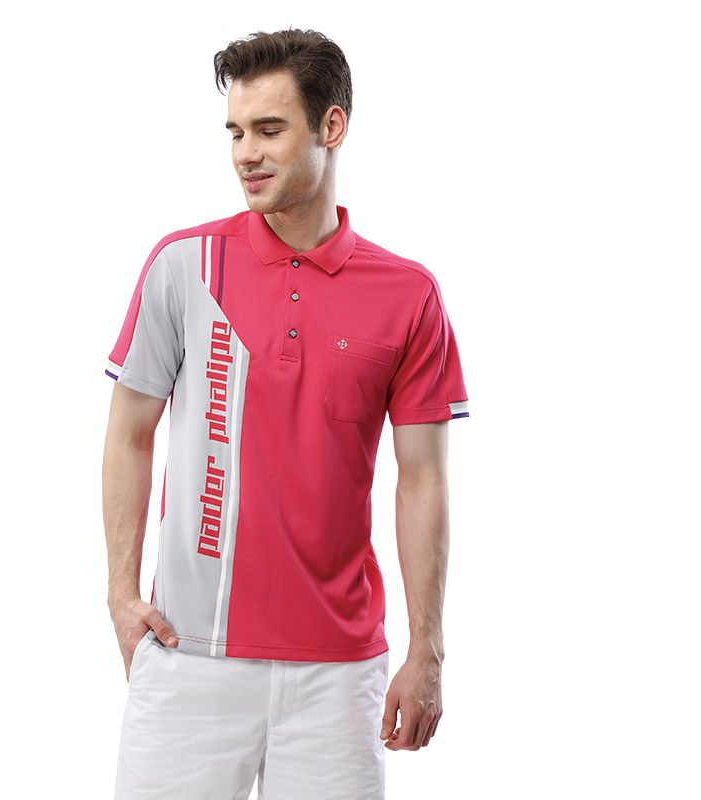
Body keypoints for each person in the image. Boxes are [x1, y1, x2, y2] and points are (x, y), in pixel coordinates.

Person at [102, 27, 469, 800]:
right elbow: (129, 433)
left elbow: (422, 481)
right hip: (189, 656)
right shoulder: (185, 265)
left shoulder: (408, 294)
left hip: (337, 674)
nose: (246, 153)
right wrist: (121, 595)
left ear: (331, 126)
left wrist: (427, 650)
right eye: (235, 132)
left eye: (269, 129)